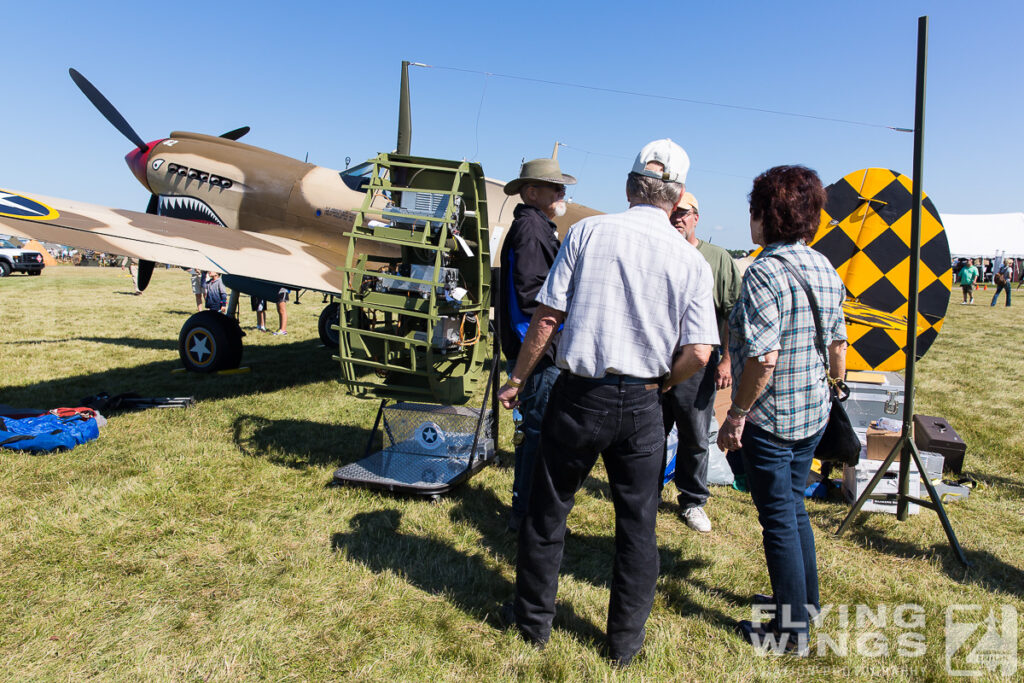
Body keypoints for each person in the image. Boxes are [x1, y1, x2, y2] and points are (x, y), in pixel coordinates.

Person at [497, 139, 717, 667]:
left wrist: (517, 379)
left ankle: (533, 624)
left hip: (579, 394)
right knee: (637, 526)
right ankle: (623, 644)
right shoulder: (689, 260)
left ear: (629, 185)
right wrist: (663, 383)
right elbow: (701, 352)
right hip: (642, 402)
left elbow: (547, 319)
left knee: (550, 512)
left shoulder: (588, 232)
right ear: (677, 195)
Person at [717, 166, 847, 656]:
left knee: (778, 519)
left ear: (764, 216)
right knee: (794, 510)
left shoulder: (762, 272)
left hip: (773, 421)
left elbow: (763, 357)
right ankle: (802, 608)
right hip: (813, 411)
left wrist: (736, 416)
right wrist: (835, 384)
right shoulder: (823, 266)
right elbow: (838, 344)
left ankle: (791, 635)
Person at [499, 157, 577, 532]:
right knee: (537, 431)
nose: (563, 193)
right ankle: (525, 512)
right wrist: (550, 341)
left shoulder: (537, 226)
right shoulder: (531, 228)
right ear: (532, 192)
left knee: (537, 429)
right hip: (538, 351)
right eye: (555, 187)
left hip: (537, 348)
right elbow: (532, 298)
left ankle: (525, 507)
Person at [662, 191, 741, 533]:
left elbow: (730, 315)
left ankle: (693, 500)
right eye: (672, 212)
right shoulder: (658, 250)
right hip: (656, 359)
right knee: (651, 432)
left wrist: (726, 361)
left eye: (684, 213)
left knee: (695, 434)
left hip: (698, 362)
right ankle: (645, 493)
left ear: (696, 217)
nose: (677, 218)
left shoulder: (717, 258)